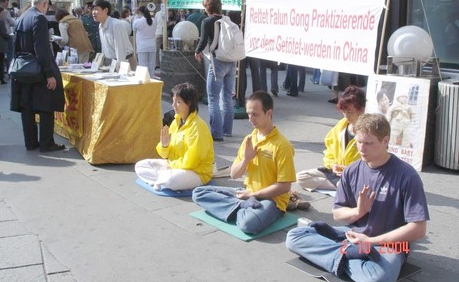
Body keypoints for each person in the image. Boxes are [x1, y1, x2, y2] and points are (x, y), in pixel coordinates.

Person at [286, 113, 429, 282]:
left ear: (385, 141)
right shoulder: (352, 170)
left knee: (376, 279)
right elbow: (337, 214)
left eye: (368, 143)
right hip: (353, 236)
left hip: (389, 244)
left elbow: (418, 229)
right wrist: (358, 211)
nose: (361, 148)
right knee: (294, 237)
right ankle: (348, 255)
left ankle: (340, 255)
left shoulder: (406, 175)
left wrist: (371, 241)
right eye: (359, 141)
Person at [192, 91, 296, 235]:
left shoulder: (282, 145)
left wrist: (255, 194)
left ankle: (240, 207)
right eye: (248, 114)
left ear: (269, 113)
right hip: (246, 193)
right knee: (198, 193)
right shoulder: (249, 139)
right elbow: (234, 174)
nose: (250, 119)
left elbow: (285, 186)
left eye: (255, 114)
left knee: (248, 225)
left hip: (271, 201)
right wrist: (246, 159)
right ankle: (242, 206)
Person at [10, 0, 65, 152]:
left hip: (23, 68)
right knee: (46, 106)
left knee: (27, 107)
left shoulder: (22, 17)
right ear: (44, 4)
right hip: (38, 69)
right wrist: (49, 73)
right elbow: (41, 48)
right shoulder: (39, 18)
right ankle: (46, 143)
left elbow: (16, 45)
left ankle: (31, 142)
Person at [135, 82, 214, 190]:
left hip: (196, 172)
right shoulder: (176, 122)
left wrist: (171, 166)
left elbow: (191, 161)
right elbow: (165, 155)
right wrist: (164, 145)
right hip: (174, 166)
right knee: (140, 166)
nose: (173, 105)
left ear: (189, 103)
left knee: (171, 180)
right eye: (173, 101)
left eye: (178, 102)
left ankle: (162, 179)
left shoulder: (197, 127)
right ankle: (162, 179)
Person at [296, 85, 366, 191]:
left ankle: (343, 187)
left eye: (350, 112)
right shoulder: (341, 126)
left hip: (356, 175)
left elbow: (372, 162)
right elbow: (329, 151)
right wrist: (332, 164)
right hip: (336, 172)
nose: (346, 116)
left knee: (358, 184)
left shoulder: (369, 130)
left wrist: (348, 170)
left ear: (362, 110)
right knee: (301, 177)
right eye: (344, 112)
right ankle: (341, 188)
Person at [194, 0, 235, 141]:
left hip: (217, 61)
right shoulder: (228, 20)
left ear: (208, 8)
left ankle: (216, 133)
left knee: (213, 98)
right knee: (227, 97)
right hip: (231, 61)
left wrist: (197, 51)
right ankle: (227, 130)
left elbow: (203, 40)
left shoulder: (207, 21)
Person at [91, 0, 137, 70]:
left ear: (105, 10)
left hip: (125, 62)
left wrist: (120, 69)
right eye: (92, 10)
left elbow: (120, 49)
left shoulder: (116, 25)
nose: (93, 12)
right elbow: (105, 48)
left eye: (96, 9)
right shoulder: (101, 25)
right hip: (111, 63)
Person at [133, 5, 157, 77]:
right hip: (152, 46)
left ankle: (145, 83)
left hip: (142, 47)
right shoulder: (154, 20)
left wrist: (136, 15)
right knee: (152, 66)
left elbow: (133, 28)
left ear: (140, 12)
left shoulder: (138, 21)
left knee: (143, 66)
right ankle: (152, 80)